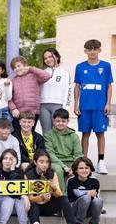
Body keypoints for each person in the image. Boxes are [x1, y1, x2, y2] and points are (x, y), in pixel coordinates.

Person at [25, 150, 89, 224]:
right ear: (35, 162)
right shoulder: (28, 175)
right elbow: (29, 198)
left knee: (63, 199)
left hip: (49, 206)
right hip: (36, 206)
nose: (44, 165)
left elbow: (59, 194)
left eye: (47, 162)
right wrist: (41, 198)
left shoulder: (52, 173)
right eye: (41, 161)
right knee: (34, 205)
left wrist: (54, 188)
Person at [73, 39, 113, 174]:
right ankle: (84, 162)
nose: (92, 52)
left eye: (95, 49)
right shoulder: (80, 67)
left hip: (99, 107)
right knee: (85, 134)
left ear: (99, 50)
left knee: (100, 133)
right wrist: (76, 104)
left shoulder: (106, 66)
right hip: (84, 107)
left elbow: (109, 86)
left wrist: (107, 103)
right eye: (89, 49)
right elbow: (77, 87)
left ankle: (101, 161)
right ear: (85, 51)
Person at [0, 149, 29, 224]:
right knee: (10, 197)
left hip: (14, 207)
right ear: (1, 160)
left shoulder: (18, 172)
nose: (8, 161)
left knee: (20, 199)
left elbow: (18, 189)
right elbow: (6, 189)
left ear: (15, 161)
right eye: (5, 158)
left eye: (11, 159)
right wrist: (22, 195)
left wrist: (12, 170)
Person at [8, 56, 51, 135]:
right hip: (19, 113)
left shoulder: (34, 77)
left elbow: (47, 76)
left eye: (18, 66)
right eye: (14, 68)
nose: (17, 69)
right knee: (18, 135)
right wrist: (13, 109)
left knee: (30, 134)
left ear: (25, 65)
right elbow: (8, 98)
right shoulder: (12, 81)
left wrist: (31, 69)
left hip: (33, 112)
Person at [45, 108, 84, 191]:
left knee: (82, 167)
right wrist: (64, 167)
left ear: (68, 121)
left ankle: (77, 195)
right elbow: (50, 154)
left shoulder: (74, 136)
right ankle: (62, 195)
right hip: (55, 162)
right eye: (58, 121)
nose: (60, 123)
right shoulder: (48, 135)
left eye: (63, 121)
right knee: (58, 170)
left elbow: (78, 154)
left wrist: (74, 167)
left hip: (70, 162)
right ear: (53, 121)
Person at [67, 157, 103, 224]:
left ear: (90, 169)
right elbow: (70, 199)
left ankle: (94, 223)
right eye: (81, 168)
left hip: (89, 209)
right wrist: (86, 194)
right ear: (76, 170)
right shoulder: (71, 181)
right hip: (76, 209)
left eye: (86, 168)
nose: (84, 170)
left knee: (98, 200)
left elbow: (96, 200)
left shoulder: (95, 181)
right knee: (86, 198)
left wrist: (93, 196)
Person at [39, 48, 71, 135]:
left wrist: (65, 109)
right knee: (46, 133)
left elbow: (68, 92)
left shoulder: (64, 73)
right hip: (43, 106)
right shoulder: (42, 73)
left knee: (58, 133)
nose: (48, 59)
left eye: (50, 57)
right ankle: (47, 149)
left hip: (58, 106)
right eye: (45, 58)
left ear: (56, 57)